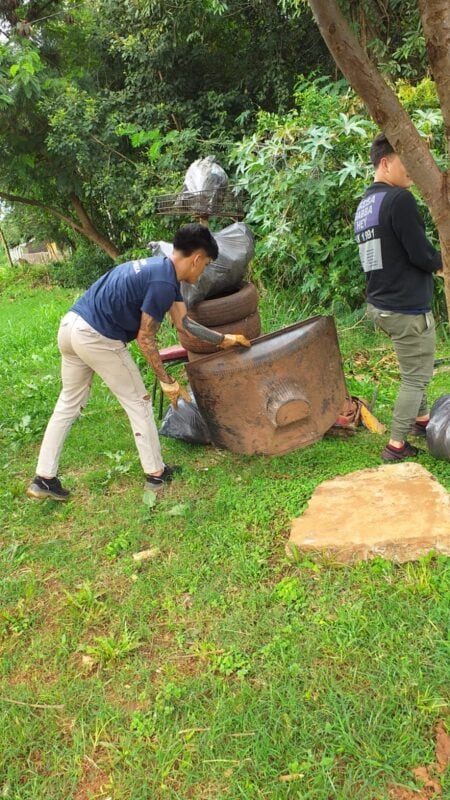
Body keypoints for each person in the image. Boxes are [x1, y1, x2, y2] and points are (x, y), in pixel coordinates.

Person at [27, 223, 250, 501]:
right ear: (196, 258)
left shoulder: (161, 271)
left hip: (70, 327)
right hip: (97, 337)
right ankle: (156, 474)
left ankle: (43, 478)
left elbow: (183, 323)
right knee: (140, 402)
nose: (203, 271)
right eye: (205, 264)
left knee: (68, 403)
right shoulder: (162, 282)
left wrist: (223, 339)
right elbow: (145, 338)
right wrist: (166, 380)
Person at [354, 132, 443, 462]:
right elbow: (420, 253)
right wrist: (442, 265)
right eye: (407, 163)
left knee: (413, 366)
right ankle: (396, 445)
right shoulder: (399, 200)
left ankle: (421, 421)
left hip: (381, 304)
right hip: (406, 307)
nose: (413, 172)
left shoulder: (366, 205)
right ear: (386, 162)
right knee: (416, 376)